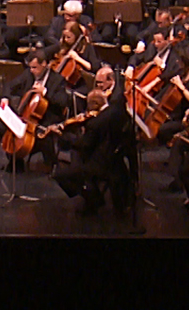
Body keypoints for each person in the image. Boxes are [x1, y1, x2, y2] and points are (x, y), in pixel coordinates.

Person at [52, 67, 135, 216]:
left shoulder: (96, 123)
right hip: (114, 155)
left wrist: (65, 137)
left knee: (62, 174)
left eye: (100, 83)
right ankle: (91, 190)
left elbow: (84, 145)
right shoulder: (116, 110)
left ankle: (93, 198)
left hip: (101, 162)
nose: (98, 86)